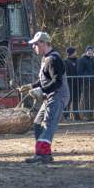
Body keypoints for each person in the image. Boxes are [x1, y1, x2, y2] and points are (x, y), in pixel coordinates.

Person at [19, 32, 69, 164]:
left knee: (48, 125)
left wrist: (40, 90)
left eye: (35, 44)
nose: (34, 47)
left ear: (43, 43)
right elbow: (44, 80)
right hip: (50, 96)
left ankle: (43, 156)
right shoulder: (46, 58)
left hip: (58, 96)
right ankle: (42, 153)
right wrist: (31, 86)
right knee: (37, 124)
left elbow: (57, 81)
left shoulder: (53, 59)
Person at [77, 46, 94, 120]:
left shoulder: (92, 60)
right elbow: (80, 71)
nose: (90, 52)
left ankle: (91, 115)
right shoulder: (81, 60)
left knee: (92, 99)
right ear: (86, 51)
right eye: (89, 50)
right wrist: (87, 78)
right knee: (86, 99)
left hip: (93, 83)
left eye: (91, 50)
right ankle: (86, 115)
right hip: (85, 83)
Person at [64, 47, 81, 121]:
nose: (76, 53)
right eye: (74, 52)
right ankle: (66, 116)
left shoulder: (78, 61)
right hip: (69, 84)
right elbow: (66, 72)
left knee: (76, 100)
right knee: (68, 100)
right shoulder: (65, 61)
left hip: (77, 84)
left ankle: (76, 116)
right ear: (71, 53)